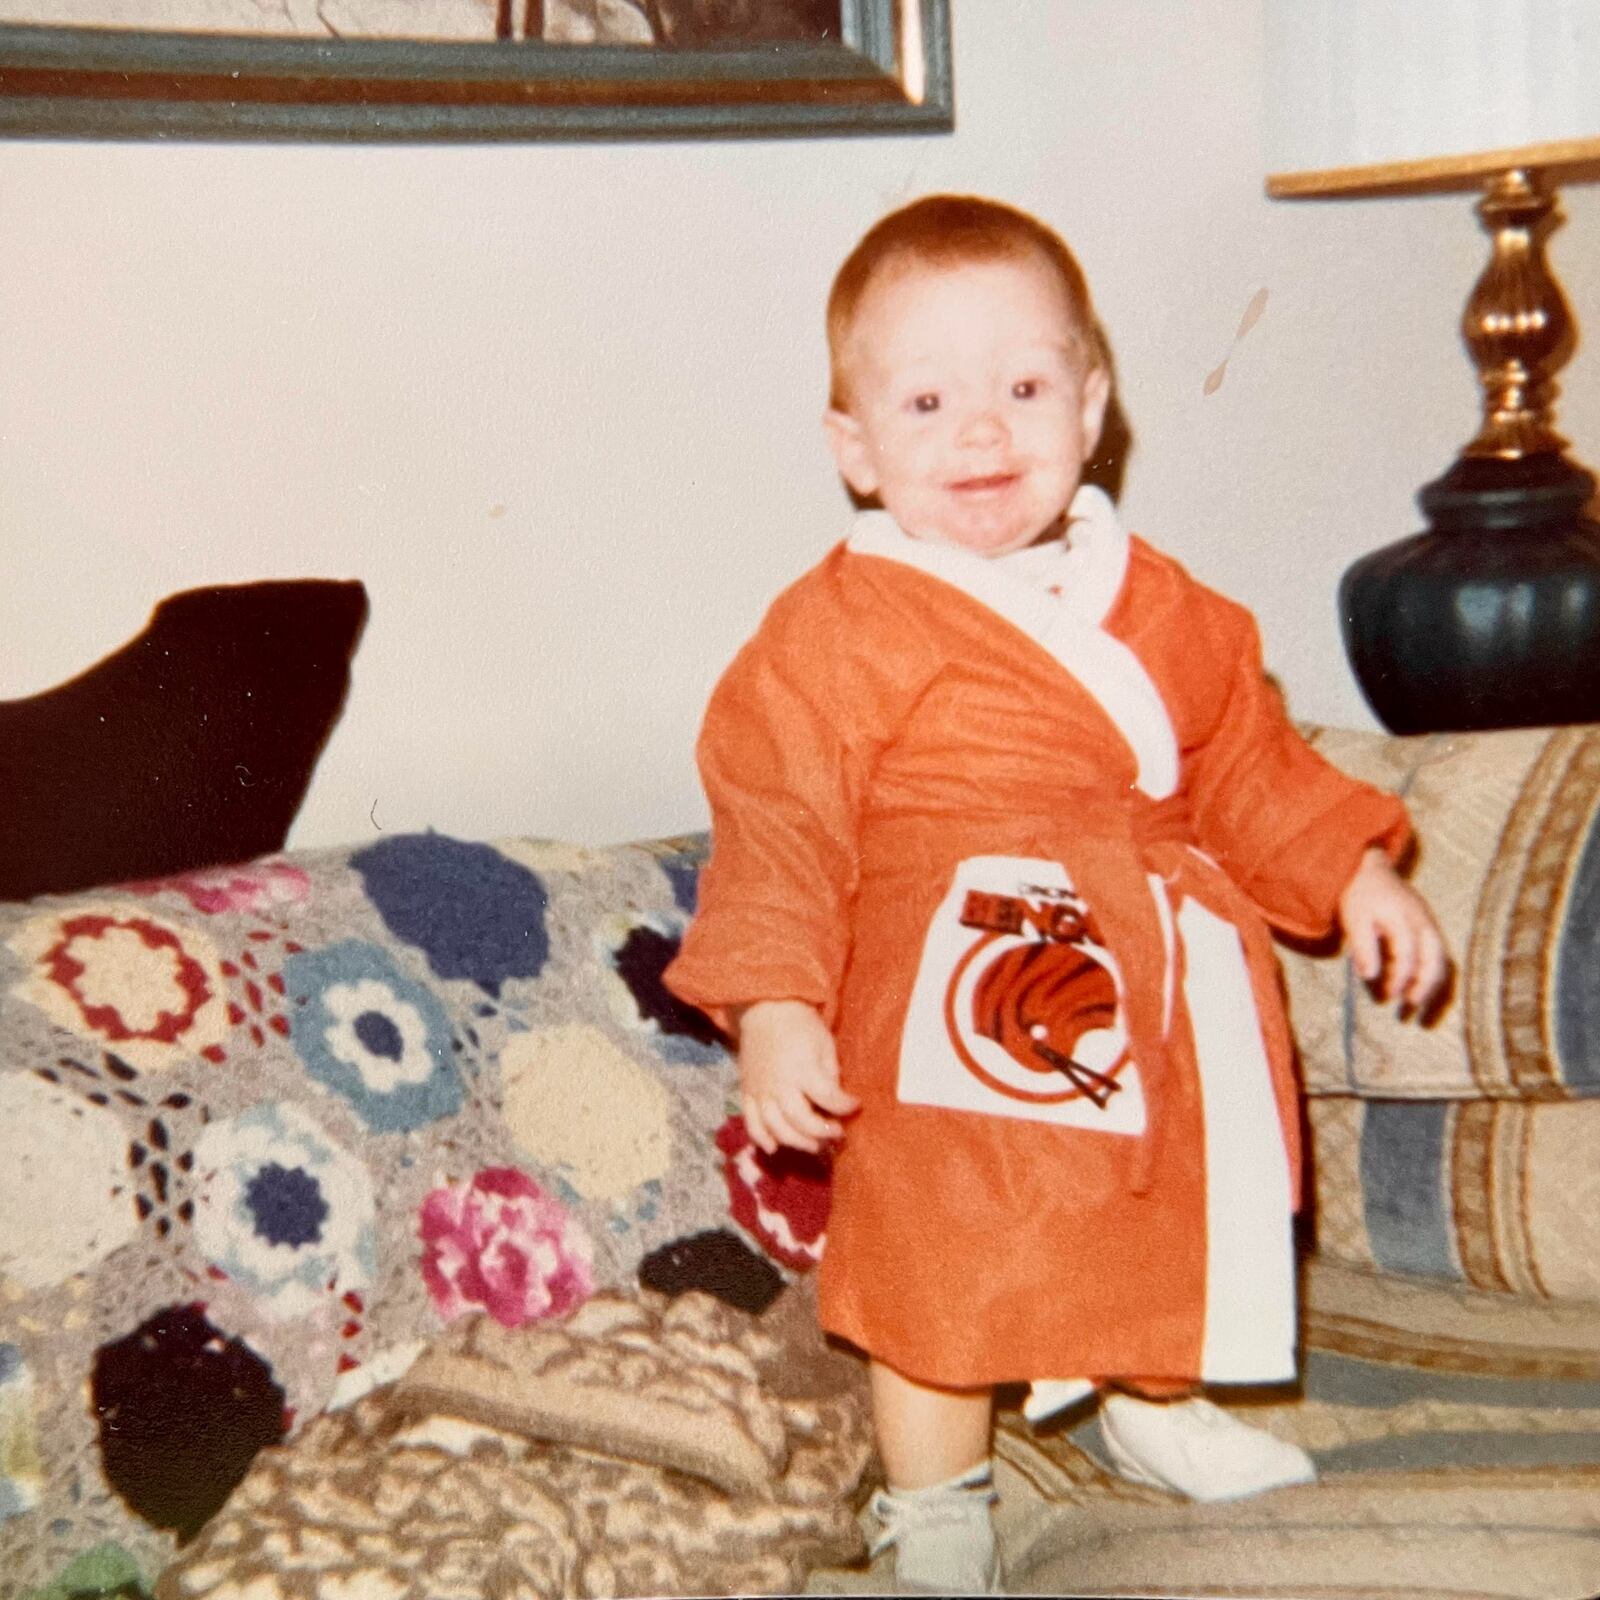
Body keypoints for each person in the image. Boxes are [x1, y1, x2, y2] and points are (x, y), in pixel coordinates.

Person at [663, 194, 1448, 1593]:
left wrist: (1357, 868)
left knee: (1170, 1197)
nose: (984, 432)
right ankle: (937, 1495)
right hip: (956, 990)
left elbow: (1247, 769)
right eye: (926, 399)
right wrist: (777, 1007)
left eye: (1025, 388)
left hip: (1156, 966)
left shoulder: (1164, 601)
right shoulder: (833, 630)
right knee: (946, 1253)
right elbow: (777, 825)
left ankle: (1147, 1405)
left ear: (1092, 405)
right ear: (854, 444)